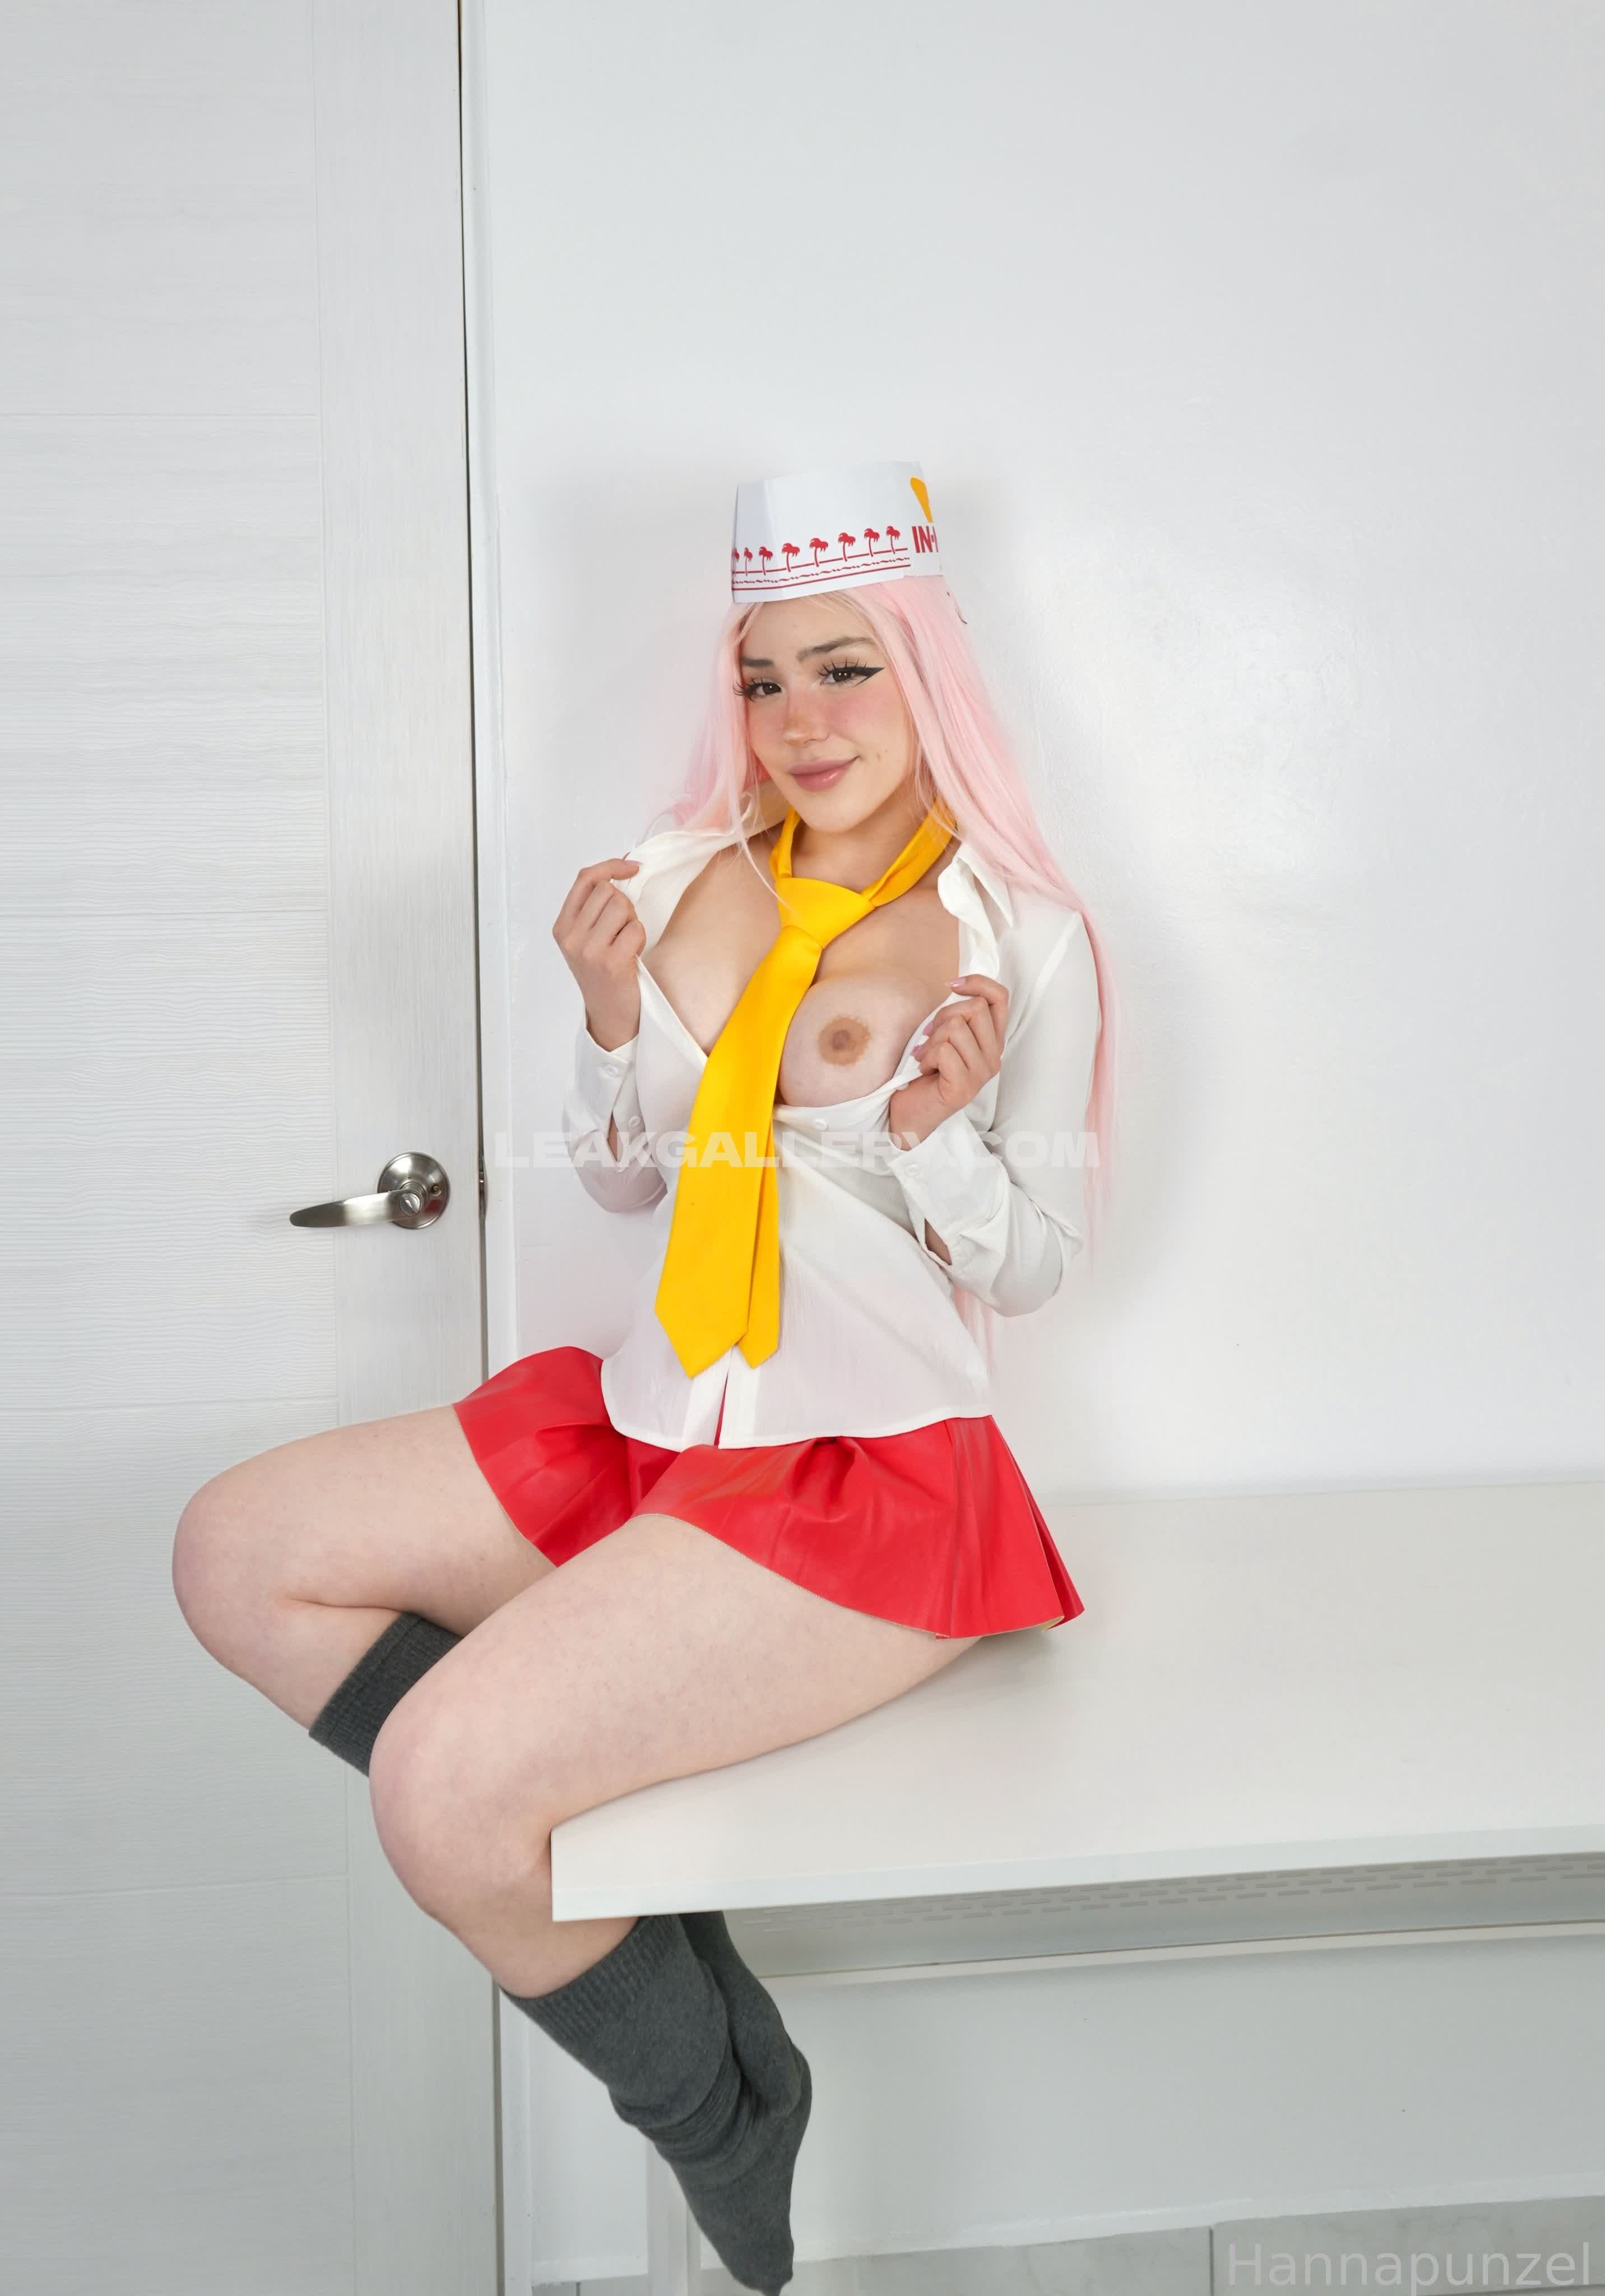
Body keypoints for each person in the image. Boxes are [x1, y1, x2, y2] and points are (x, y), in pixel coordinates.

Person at [170, 459, 1115, 2295]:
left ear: (926, 666)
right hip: (662, 1411)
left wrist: (932, 1138)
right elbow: (622, 1184)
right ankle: (659, 1943)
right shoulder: (675, 879)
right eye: (763, 681)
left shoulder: (1026, 934)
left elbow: (1036, 1264)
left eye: (844, 670)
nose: (799, 721)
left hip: (869, 1474)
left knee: (444, 1796)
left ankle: (715, 2112)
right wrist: (612, 1024)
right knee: (237, 1552)